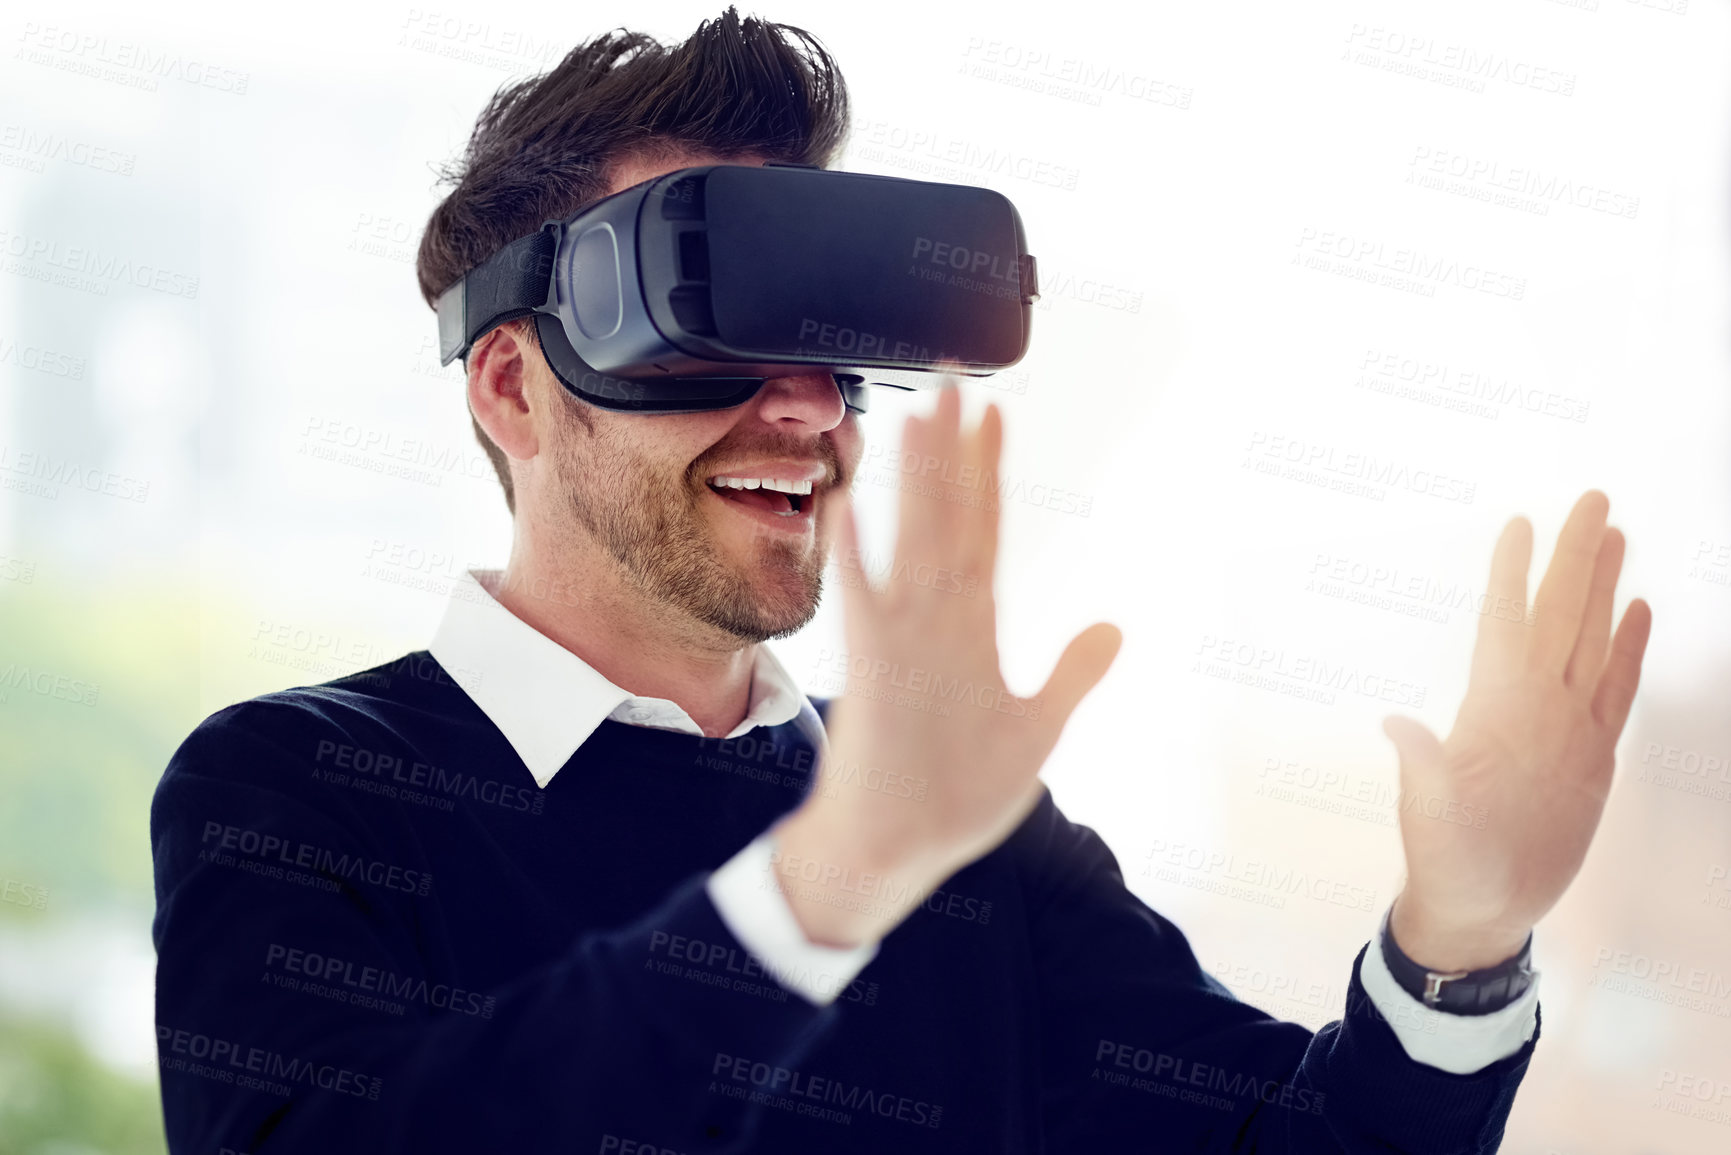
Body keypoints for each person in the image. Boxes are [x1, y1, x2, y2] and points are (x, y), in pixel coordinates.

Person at [149, 9, 1652, 1152]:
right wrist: (830, 883)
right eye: (713, 331)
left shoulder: (962, 820)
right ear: (511, 387)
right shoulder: (298, 794)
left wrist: (1463, 935)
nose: (807, 411)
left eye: (836, 348)